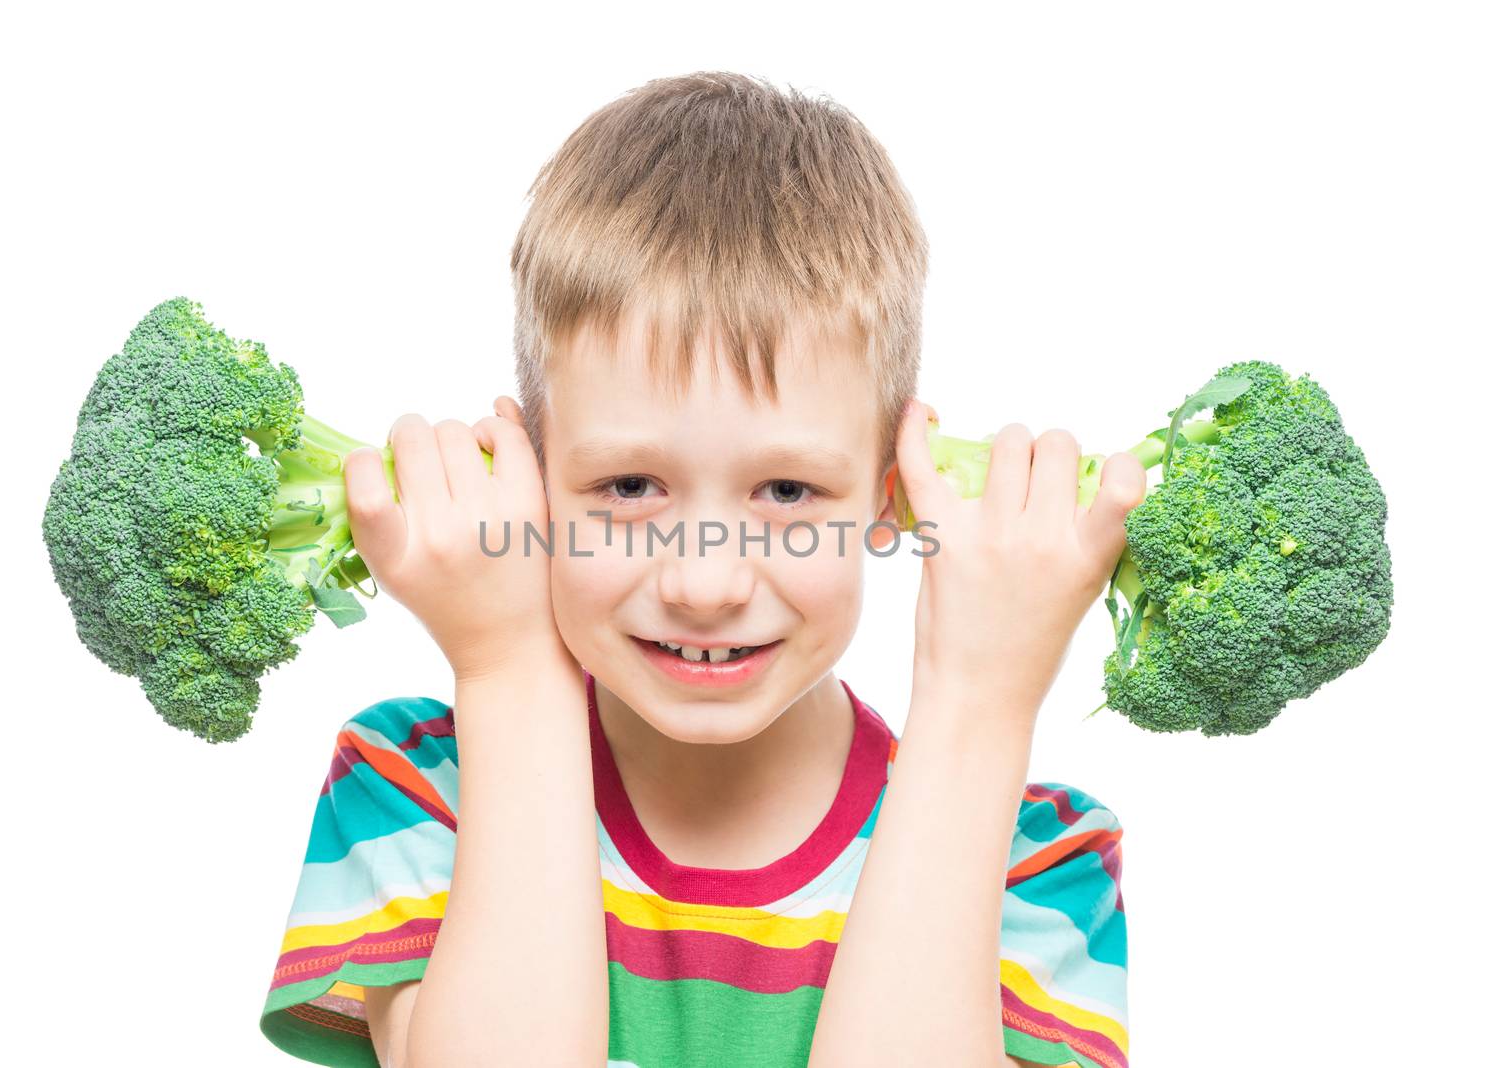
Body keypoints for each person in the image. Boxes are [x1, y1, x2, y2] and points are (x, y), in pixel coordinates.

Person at [259, 71, 1142, 1068]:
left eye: (786, 493)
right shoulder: (418, 790)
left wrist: (979, 703)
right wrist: (507, 665)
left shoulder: (1034, 861)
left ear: (890, 493)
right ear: (532, 482)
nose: (705, 583)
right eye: (630, 487)